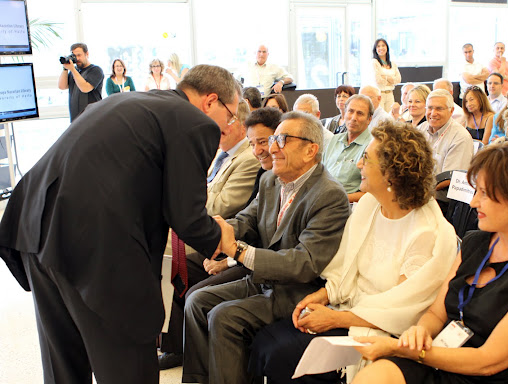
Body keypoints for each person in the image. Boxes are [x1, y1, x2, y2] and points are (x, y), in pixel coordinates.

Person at [0, 64, 241, 384]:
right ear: (211, 101)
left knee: (64, 370)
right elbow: (187, 215)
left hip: (35, 227)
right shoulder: (194, 122)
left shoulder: (129, 103)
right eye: (231, 114)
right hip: (94, 246)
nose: (229, 125)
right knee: (129, 369)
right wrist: (220, 238)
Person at [249, 121, 458, 384]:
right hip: (349, 307)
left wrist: (334, 318)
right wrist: (321, 296)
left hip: (380, 331)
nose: (358, 164)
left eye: (366, 159)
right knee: (267, 338)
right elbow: (346, 267)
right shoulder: (371, 204)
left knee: (282, 352)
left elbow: (401, 311)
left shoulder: (427, 232)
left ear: (391, 174)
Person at [351, 141, 508, 384]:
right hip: (440, 357)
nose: (474, 202)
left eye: (485, 194)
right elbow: (436, 313)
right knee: (372, 377)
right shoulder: (475, 242)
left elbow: (489, 361)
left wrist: (404, 349)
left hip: (489, 376)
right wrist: (420, 331)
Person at [181, 111, 351, 384]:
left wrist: (238, 251)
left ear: (311, 150)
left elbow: (303, 263)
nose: (272, 147)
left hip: (297, 291)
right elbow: (246, 220)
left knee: (224, 317)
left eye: (281, 139)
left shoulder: (329, 195)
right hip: (263, 281)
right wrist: (212, 231)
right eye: (273, 139)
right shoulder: (271, 180)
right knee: (196, 302)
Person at [157, 101, 269, 370]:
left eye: (263, 142)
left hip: (239, 250)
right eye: (256, 143)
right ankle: (173, 345)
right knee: (168, 259)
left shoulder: (250, 162)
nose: (260, 150)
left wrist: (229, 255)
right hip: (224, 237)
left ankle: (195, 360)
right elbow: (240, 215)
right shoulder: (224, 156)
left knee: (193, 291)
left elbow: (220, 205)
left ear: (238, 125)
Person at [418, 89, 474, 211]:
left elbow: (450, 178)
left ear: (451, 111)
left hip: (444, 195)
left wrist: (420, 189)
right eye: (430, 108)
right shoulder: (421, 129)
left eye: (439, 109)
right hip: (421, 186)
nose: (433, 113)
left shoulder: (460, 137)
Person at [323, 94, 373, 203]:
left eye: (360, 113)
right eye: (350, 111)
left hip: (346, 206)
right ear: (344, 113)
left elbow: (372, 193)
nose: (354, 118)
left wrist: (337, 199)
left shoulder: (372, 147)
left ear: (369, 119)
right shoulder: (334, 140)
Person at [58, 42, 104, 122]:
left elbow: (85, 88)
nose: (77, 59)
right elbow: (62, 86)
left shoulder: (96, 70)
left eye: (79, 55)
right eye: (74, 56)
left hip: (93, 118)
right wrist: (65, 68)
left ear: (87, 54)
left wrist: (72, 69)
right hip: (76, 119)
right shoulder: (74, 71)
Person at [371, 38, 401, 112]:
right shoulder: (374, 62)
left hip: (390, 93)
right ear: (375, 49)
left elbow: (398, 80)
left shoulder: (392, 64)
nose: (381, 48)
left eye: (383, 45)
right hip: (379, 94)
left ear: (387, 48)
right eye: (378, 46)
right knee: (380, 118)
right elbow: (378, 80)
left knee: (390, 117)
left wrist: (385, 77)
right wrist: (391, 80)